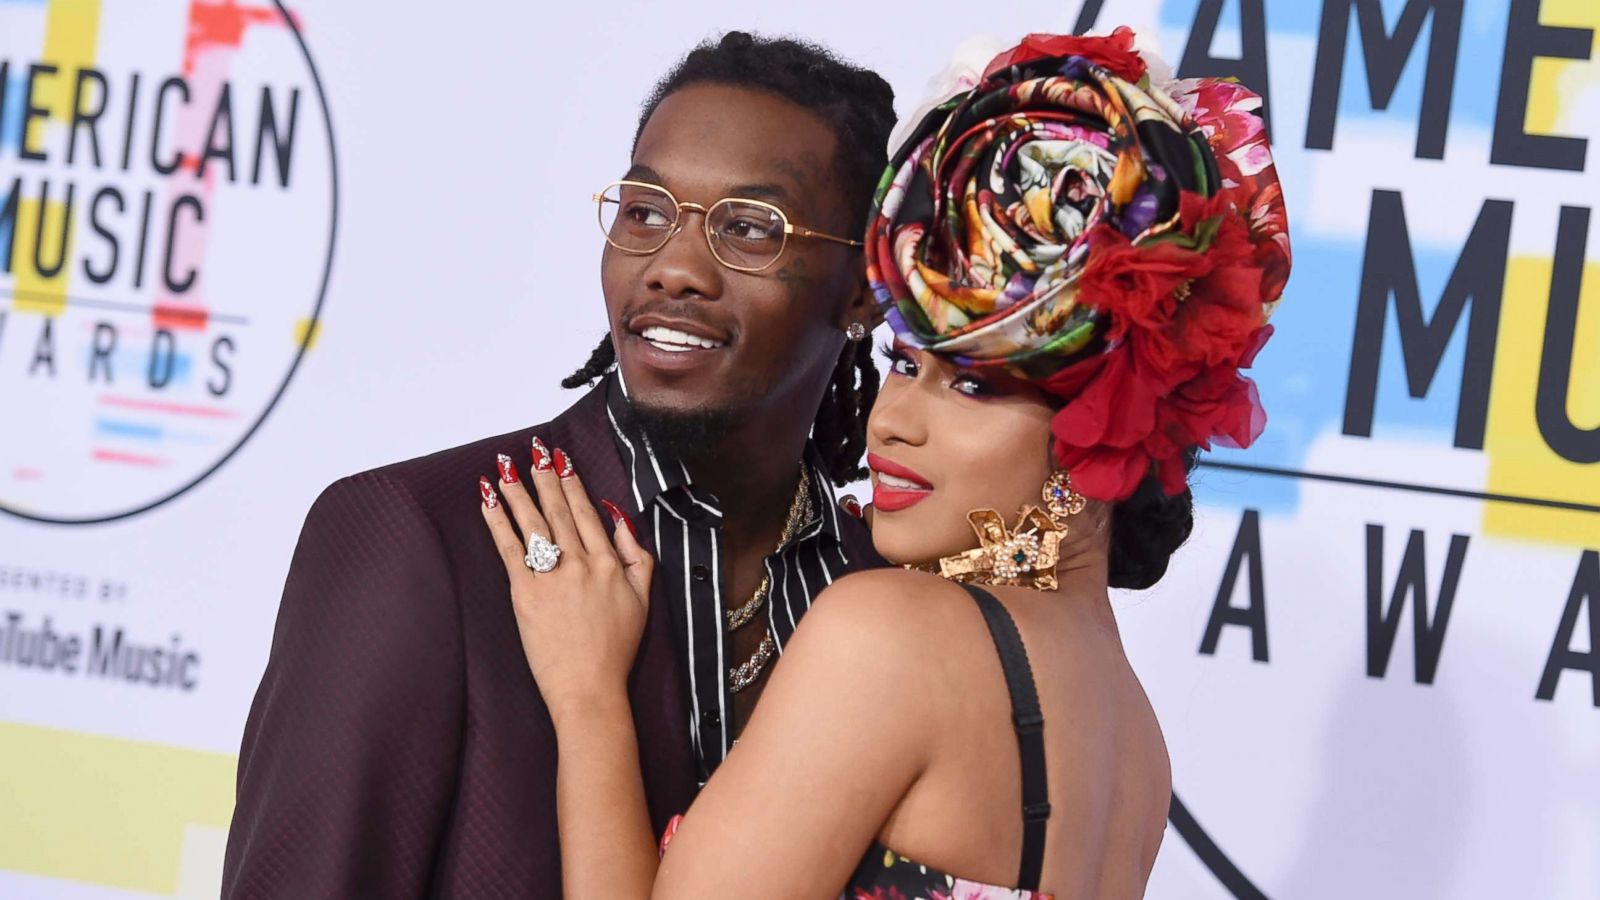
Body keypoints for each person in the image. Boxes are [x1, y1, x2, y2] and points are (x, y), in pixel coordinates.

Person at [477, 27, 1291, 899]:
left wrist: (589, 698)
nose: (893, 421)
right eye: (905, 363)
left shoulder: (891, 636)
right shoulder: (1134, 741)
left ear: (1102, 421)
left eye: (972, 388)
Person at [221, 33, 895, 898]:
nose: (673, 269)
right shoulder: (422, 539)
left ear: (863, 289)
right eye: (645, 211)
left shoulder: (886, 597)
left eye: (749, 228)